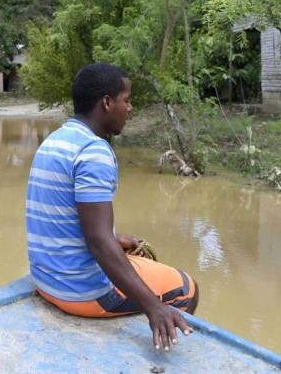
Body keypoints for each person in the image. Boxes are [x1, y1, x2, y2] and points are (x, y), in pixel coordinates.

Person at [26, 63, 198, 352]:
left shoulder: (55, 141)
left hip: (46, 281)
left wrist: (115, 240)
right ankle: (163, 354)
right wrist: (153, 308)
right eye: (126, 100)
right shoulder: (94, 152)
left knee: (138, 263)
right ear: (107, 103)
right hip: (80, 291)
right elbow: (98, 241)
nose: (129, 109)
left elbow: (64, 220)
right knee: (187, 287)